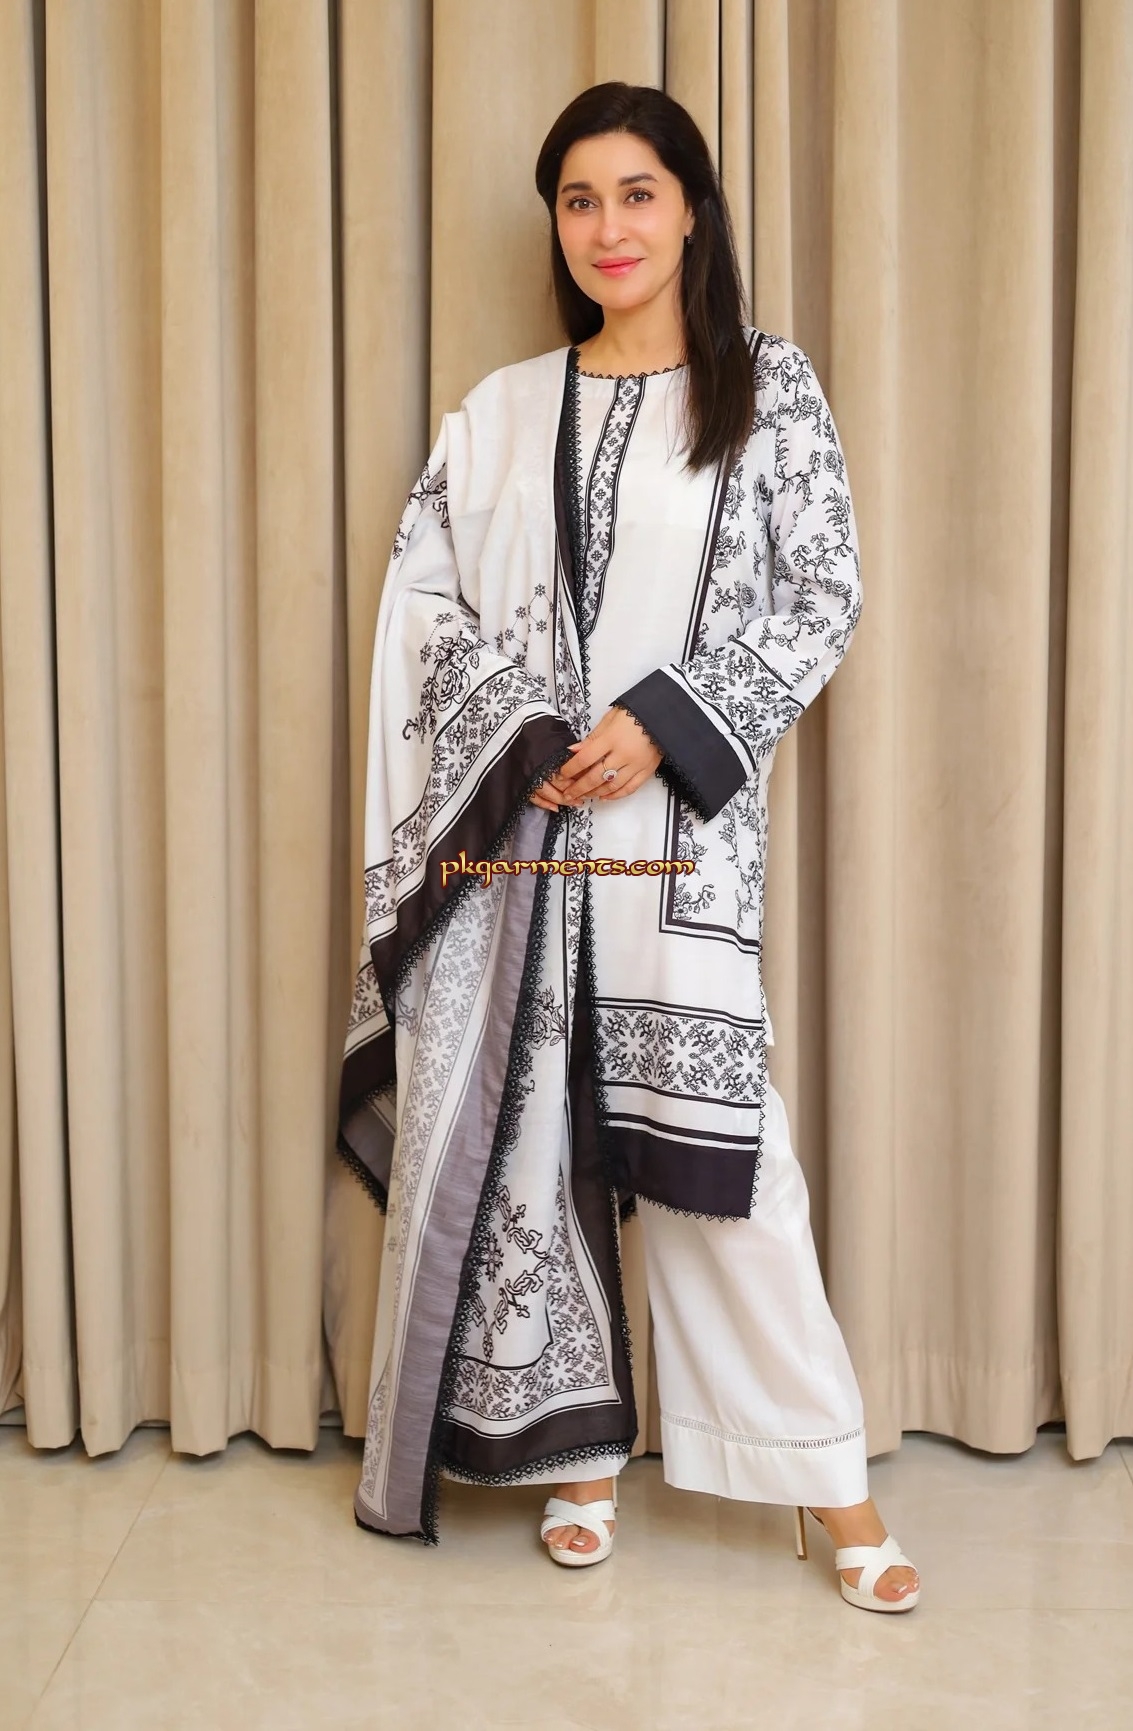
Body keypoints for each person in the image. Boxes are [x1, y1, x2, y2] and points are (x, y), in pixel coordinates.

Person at [336, 81, 920, 1613]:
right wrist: (519, 726)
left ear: (691, 212)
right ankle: (577, 1458)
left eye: (637, 194)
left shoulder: (764, 390)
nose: (608, 227)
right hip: (523, 850)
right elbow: (421, 606)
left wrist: (663, 722)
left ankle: (828, 1486)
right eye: (579, 199)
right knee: (535, 1135)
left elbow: (821, 594)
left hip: (677, 851)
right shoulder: (499, 412)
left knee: (726, 1168)